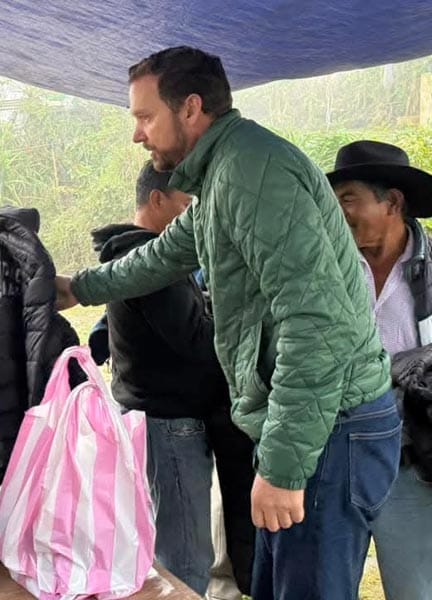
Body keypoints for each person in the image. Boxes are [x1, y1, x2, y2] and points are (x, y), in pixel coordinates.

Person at [55, 46, 400, 600]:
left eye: (145, 117)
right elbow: (163, 253)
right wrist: (79, 287)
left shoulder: (253, 174)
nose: (138, 136)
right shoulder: (224, 175)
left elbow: (314, 322)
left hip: (332, 424)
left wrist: (285, 469)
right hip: (311, 421)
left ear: (190, 108)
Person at [87, 161, 254, 596]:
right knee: (185, 556)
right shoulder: (148, 265)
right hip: (169, 420)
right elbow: (197, 341)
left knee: (175, 543)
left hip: (159, 415)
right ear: (157, 200)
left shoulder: (140, 257)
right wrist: (240, 322)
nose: (193, 216)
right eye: (187, 204)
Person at [328, 140, 432, 600]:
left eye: (349, 199)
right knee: (325, 586)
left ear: (393, 202)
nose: (339, 213)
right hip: (335, 457)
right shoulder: (324, 268)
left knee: (414, 588)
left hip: (410, 465)